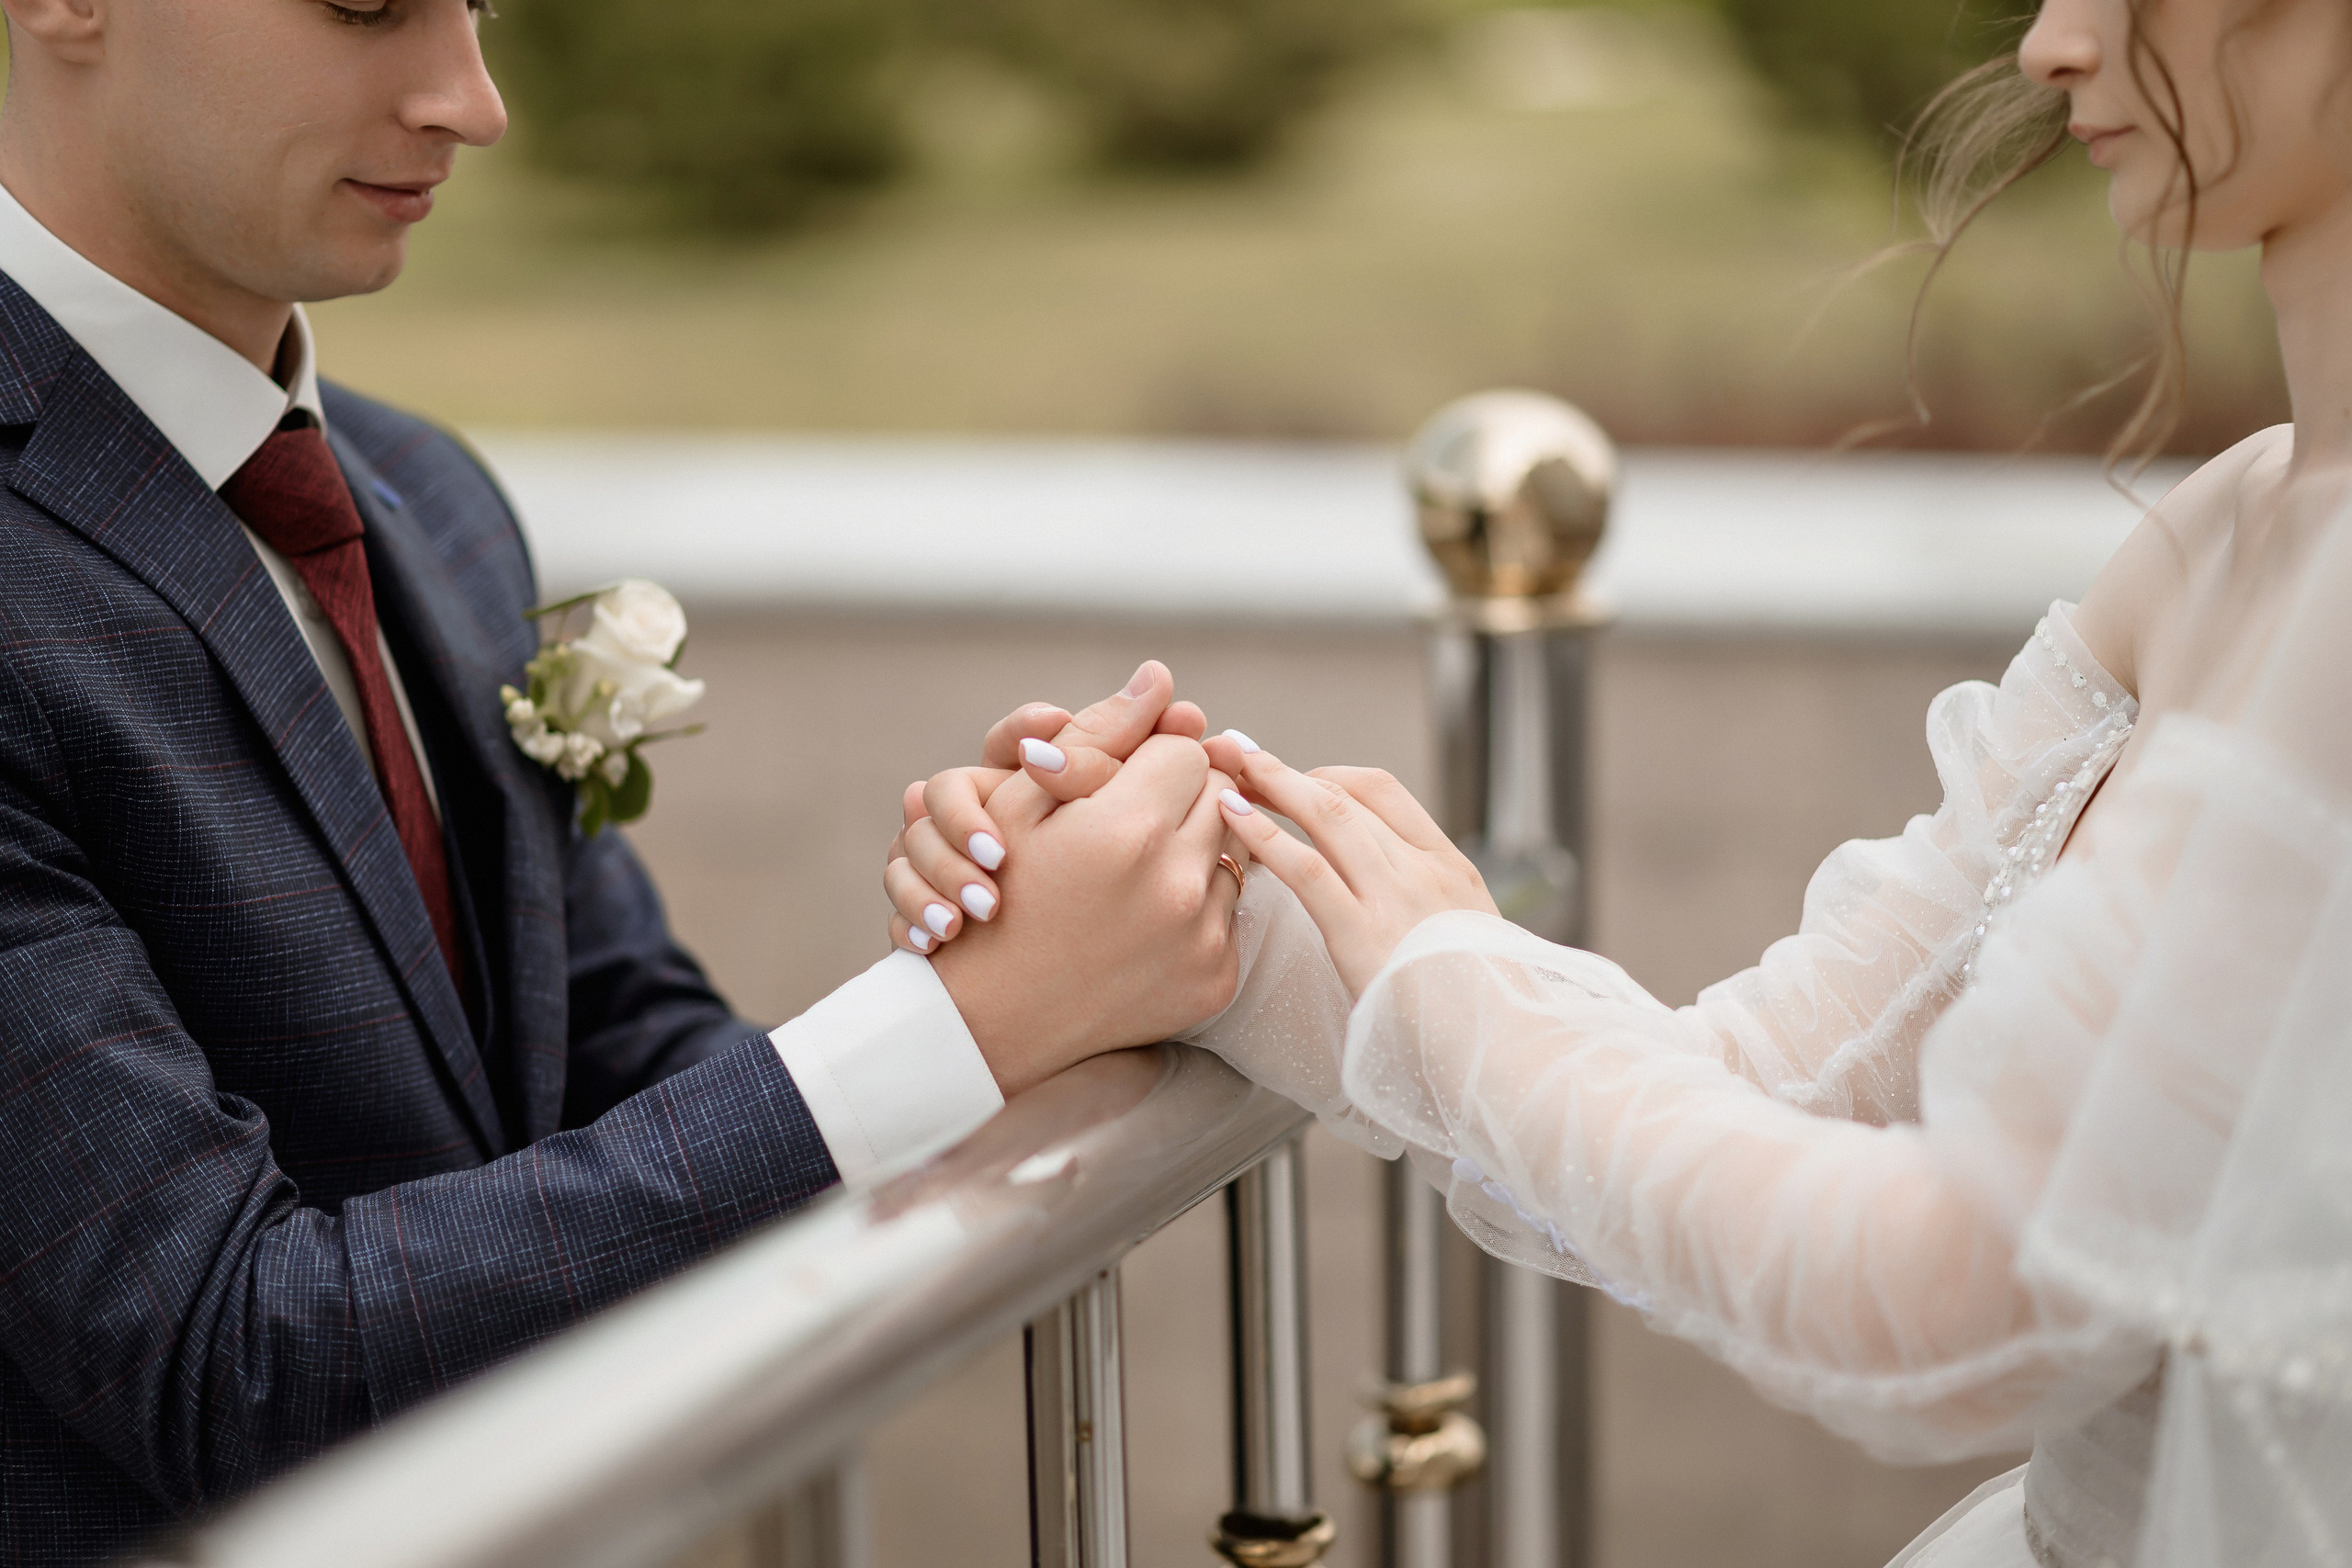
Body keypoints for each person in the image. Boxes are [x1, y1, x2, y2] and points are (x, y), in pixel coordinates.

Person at [891, 0, 2352, 1559]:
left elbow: (1958, 1307)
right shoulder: (2229, 525)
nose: (2054, 41)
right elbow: (1780, 1076)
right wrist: (1196, 905)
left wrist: (1450, 982)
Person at [0, 4, 1251, 1564]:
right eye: (373, 6)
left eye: (480, 8)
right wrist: (953, 1033)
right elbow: (227, 1356)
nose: (473, 102)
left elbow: (625, 1066)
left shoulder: (434, 499)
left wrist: (1004, 927)